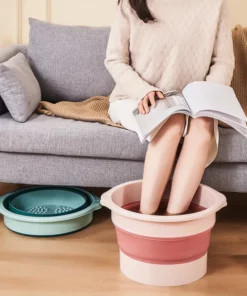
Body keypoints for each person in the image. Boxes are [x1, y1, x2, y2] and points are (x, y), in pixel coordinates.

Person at [104, 0, 235, 215]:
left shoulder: (215, 4)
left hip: (192, 103)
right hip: (136, 97)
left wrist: (207, 95)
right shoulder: (130, 4)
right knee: (171, 122)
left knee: (203, 128)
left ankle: (172, 221)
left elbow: (223, 61)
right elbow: (115, 59)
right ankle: (146, 218)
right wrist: (143, 91)